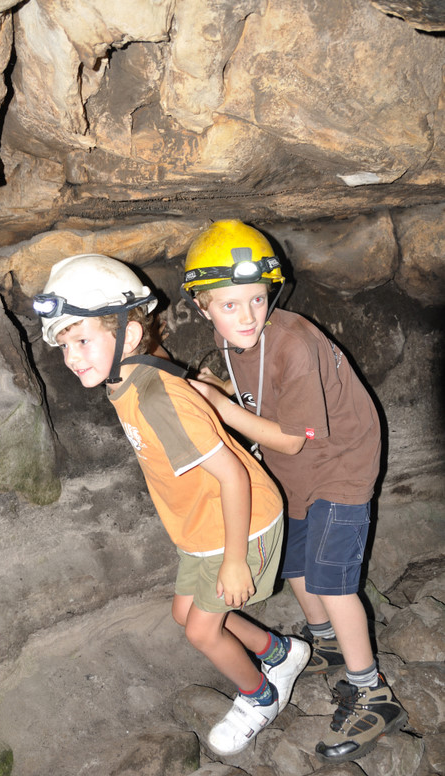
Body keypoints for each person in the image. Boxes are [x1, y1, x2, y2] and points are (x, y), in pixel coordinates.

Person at [33, 253, 310, 758]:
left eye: (83, 339)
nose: (72, 357)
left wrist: (232, 561)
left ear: (129, 335)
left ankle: (261, 696)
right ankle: (281, 652)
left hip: (240, 526)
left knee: (203, 632)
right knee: (188, 616)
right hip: (204, 527)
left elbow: (231, 475)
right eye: (64, 344)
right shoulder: (126, 381)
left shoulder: (157, 397)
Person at [181, 219, 408, 763]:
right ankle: (326, 641)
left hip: (341, 465)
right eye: (230, 304)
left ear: (270, 295)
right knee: (296, 563)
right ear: (203, 306)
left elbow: (289, 438)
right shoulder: (235, 339)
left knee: (331, 579)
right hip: (298, 466)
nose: (247, 315)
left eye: (257, 300)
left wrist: (220, 406)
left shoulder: (293, 344)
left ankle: (371, 690)